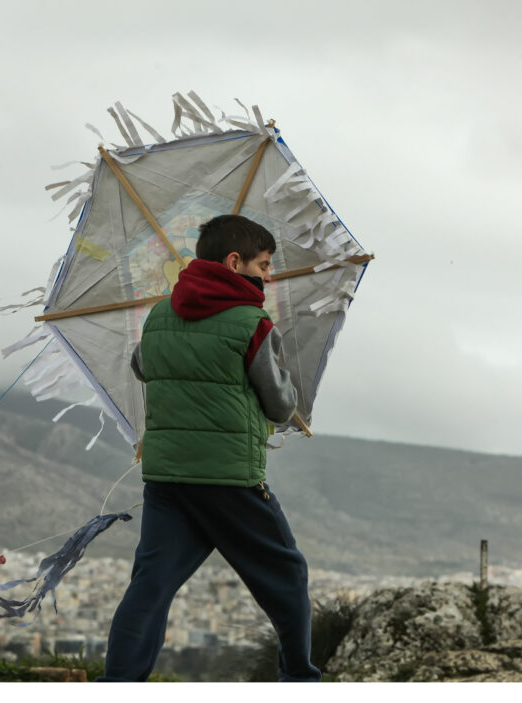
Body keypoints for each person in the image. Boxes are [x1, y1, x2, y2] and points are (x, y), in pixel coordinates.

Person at [97, 214, 321, 682]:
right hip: (229, 482)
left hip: (166, 480)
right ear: (234, 261)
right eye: (263, 264)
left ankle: (117, 684)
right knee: (287, 578)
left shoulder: (159, 316)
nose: (267, 275)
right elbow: (280, 405)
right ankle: (301, 680)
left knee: (151, 586)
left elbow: (143, 366)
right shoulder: (252, 323)